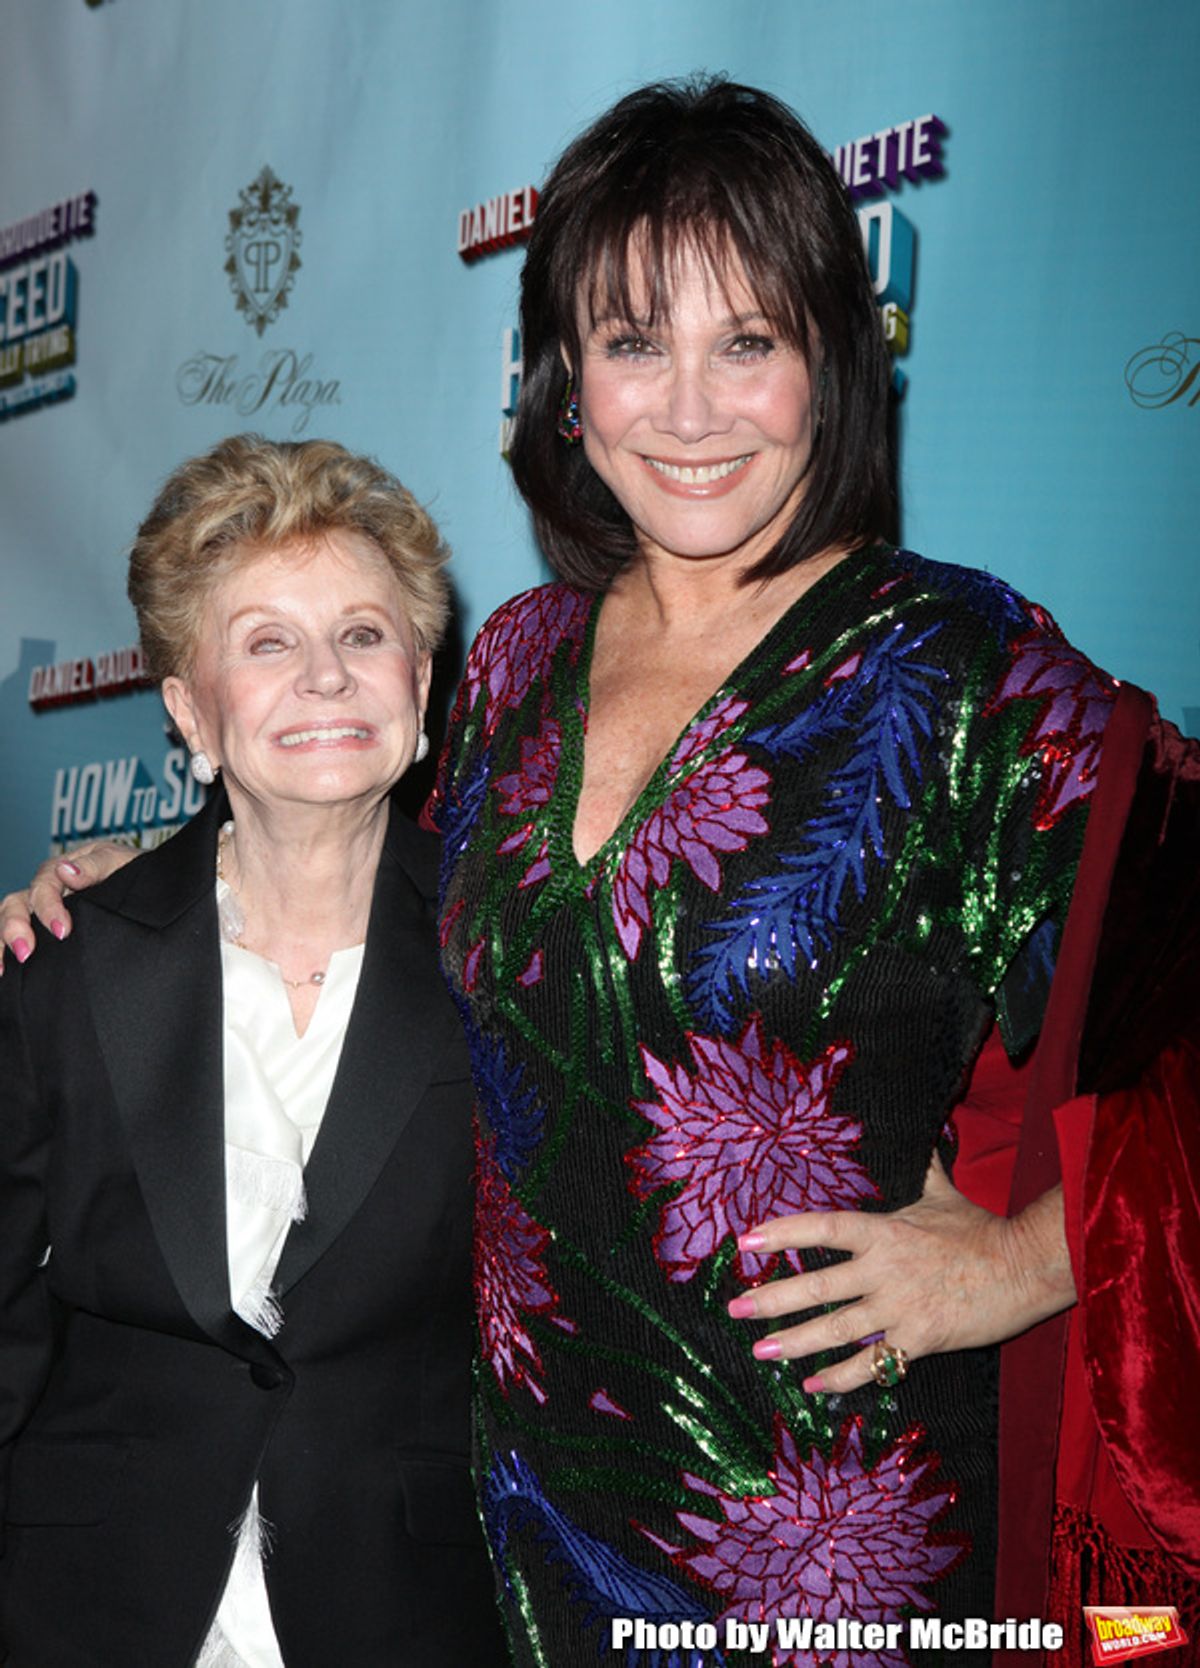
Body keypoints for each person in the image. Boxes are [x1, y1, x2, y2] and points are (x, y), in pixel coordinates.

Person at [6, 78, 1199, 1668]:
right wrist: (122, 878)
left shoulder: (966, 673)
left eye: (748, 343)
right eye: (636, 345)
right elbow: (352, 843)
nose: (690, 409)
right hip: (500, 1546)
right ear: (567, 382)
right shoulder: (514, 663)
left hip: (819, 1553)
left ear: (835, 366)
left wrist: (1020, 1261)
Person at [0, 436, 506, 1666]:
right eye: (267, 643)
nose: (325, 679)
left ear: (424, 687)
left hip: (406, 1613)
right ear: (190, 708)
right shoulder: (66, 958)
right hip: (84, 1607)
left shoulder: (515, 961)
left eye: (364, 637)